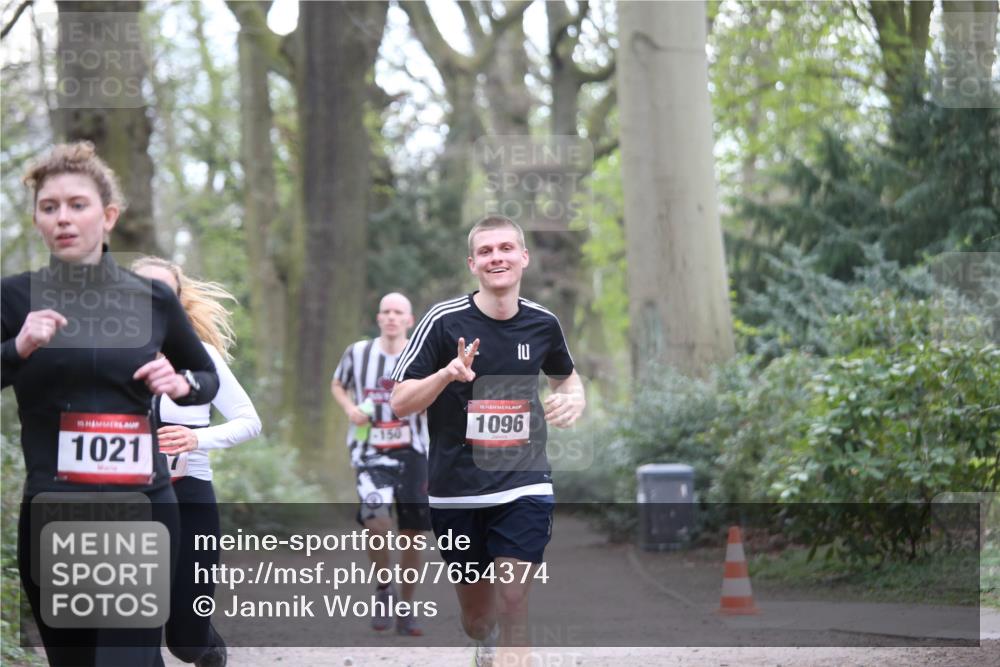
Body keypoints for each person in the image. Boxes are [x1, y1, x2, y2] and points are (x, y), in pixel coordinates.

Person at [1, 142, 219, 666]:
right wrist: (18, 348)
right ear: (37, 220)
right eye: (49, 207)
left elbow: (206, 375)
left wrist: (181, 383)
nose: (63, 218)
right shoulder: (14, 299)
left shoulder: (151, 298)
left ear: (109, 215)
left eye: (78, 204)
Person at [390, 216, 585, 666]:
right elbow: (400, 403)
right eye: (485, 251)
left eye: (505, 248)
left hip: (524, 481)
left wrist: (574, 399)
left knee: (515, 597)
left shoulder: (543, 324)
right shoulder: (443, 322)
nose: (496, 257)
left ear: (523, 257)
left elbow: (567, 380)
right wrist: (446, 374)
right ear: (473, 264)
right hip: (455, 491)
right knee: (477, 618)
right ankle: (486, 641)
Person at [132, 257, 262, 667]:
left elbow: (249, 421)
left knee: (187, 642)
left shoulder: (199, 354)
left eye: (163, 293)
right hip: (128, 497)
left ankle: (209, 649)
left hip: (189, 493)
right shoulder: (107, 353)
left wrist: (196, 438)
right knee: (137, 631)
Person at [331, 292, 431, 636]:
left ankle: (407, 604)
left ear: (409, 320)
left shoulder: (420, 354)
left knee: (412, 534)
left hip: (413, 450)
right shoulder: (358, 353)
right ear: (378, 318)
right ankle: (384, 589)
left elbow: (435, 391)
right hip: (369, 450)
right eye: (385, 311)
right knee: (376, 522)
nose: (391, 317)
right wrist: (350, 409)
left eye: (398, 312)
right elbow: (338, 383)